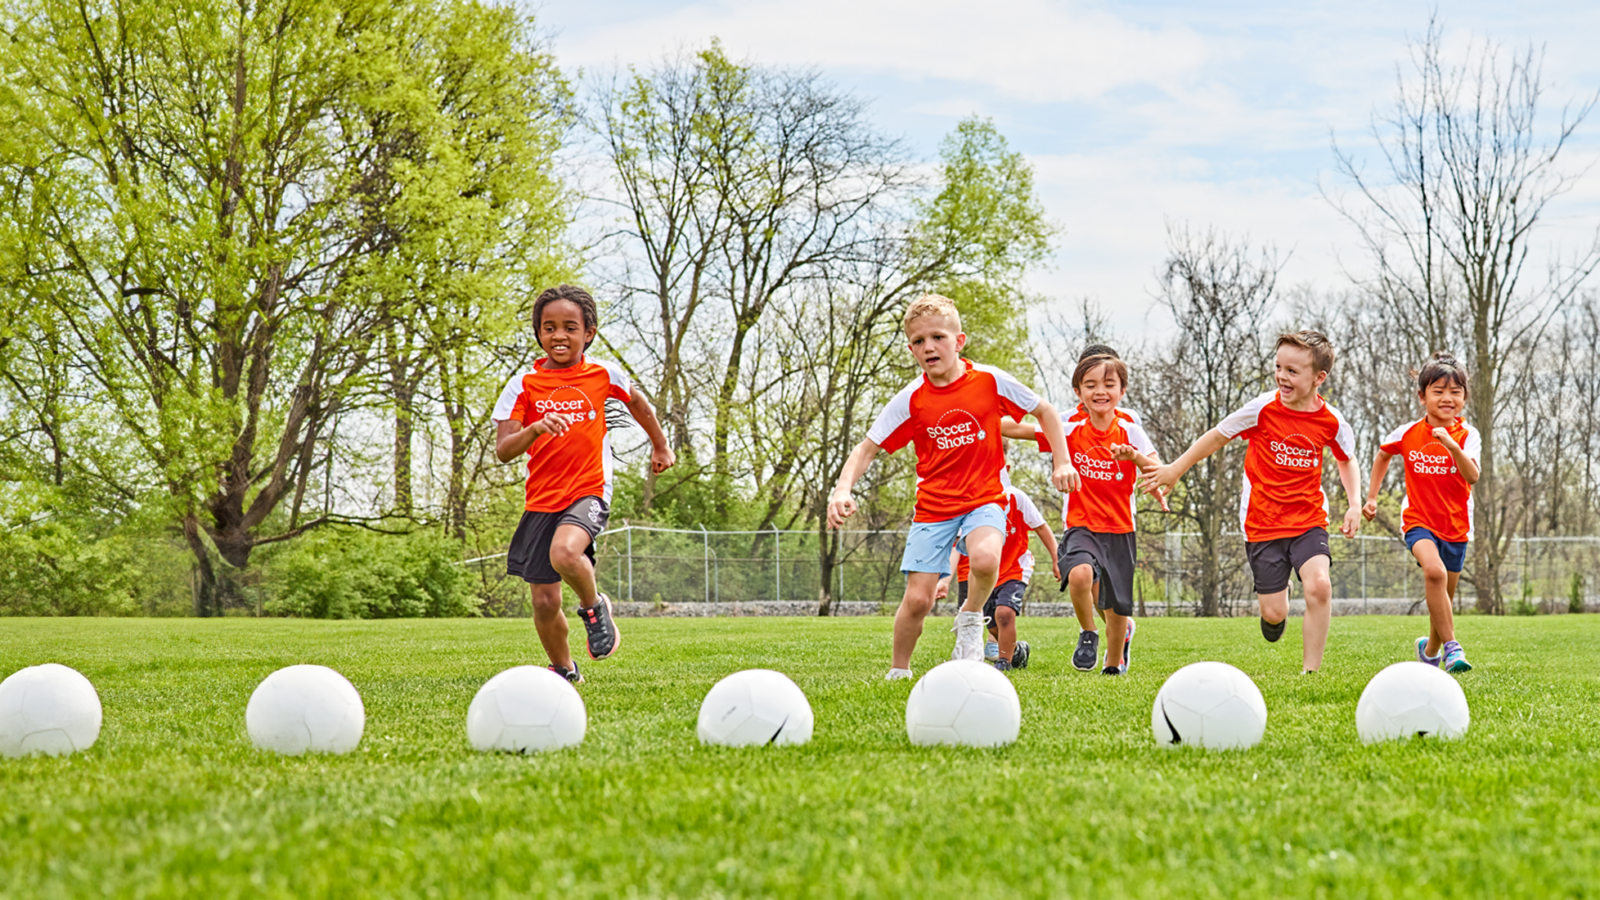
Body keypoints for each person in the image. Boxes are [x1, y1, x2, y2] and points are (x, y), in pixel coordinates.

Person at [828, 294, 1077, 680]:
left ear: (959, 341)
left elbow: (1044, 412)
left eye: (938, 337)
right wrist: (843, 489)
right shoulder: (910, 399)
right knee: (918, 600)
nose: (928, 347)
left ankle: (971, 616)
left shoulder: (990, 381)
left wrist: (1061, 461)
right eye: (918, 341)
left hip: (985, 498)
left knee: (984, 559)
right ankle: (899, 670)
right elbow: (867, 448)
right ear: (911, 347)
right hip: (934, 508)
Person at [1138, 330, 1360, 673]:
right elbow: (1216, 436)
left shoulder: (1332, 421)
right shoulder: (1262, 409)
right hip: (1262, 522)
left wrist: (1355, 502)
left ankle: (1311, 672)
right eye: (1278, 368)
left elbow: (1346, 459)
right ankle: (1276, 606)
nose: (1282, 377)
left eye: (1292, 371)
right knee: (1274, 615)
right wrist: (1174, 470)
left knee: (1319, 586)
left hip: (1308, 519)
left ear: (1319, 378)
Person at [492, 284, 675, 684]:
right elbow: (504, 450)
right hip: (541, 500)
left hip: (588, 490)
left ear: (588, 332)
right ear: (539, 333)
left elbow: (639, 405)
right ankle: (564, 672)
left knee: (566, 553)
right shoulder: (522, 384)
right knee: (543, 600)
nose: (560, 335)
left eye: (570, 327)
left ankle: (594, 607)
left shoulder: (602, 374)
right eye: (549, 327)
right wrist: (536, 429)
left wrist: (660, 446)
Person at [1005, 351, 1160, 675]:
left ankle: (1113, 661)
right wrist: (980, 414)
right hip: (1081, 524)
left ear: (1122, 391)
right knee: (1080, 575)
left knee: (1115, 608)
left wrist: (1133, 456)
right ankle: (1088, 632)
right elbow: (1017, 429)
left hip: (1120, 529)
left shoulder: (1130, 430)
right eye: (1090, 385)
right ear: (1078, 391)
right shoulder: (1069, 427)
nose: (1100, 391)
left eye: (1109, 384)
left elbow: (1157, 467)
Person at [1362, 353, 1479, 673]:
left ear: (1464, 398)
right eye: (1438, 391)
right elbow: (1382, 455)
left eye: (1455, 392)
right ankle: (1453, 649)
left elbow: (1473, 476)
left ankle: (1430, 651)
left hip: (1456, 526)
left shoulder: (1468, 436)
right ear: (1422, 396)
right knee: (1434, 573)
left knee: (1443, 595)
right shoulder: (1407, 432)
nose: (1447, 398)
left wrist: (1452, 447)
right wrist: (1371, 497)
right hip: (1418, 521)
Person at [935, 482, 1060, 672]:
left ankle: (1004, 662)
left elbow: (1041, 527)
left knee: (1004, 613)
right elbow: (956, 547)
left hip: (1015, 569)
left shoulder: (1017, 498)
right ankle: (1017, 650)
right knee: (989, 623)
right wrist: (944, 580)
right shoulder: (970, 501)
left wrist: (1056, 558)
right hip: (985, 575)